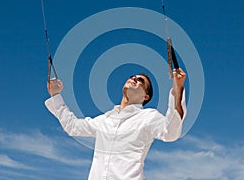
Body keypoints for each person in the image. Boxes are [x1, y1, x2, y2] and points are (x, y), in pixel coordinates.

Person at [45, 68, 187, 180]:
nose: (134, 79)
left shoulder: (148, 117)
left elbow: (171, 133)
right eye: (133, 77)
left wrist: (177, 89)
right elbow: (72, 126)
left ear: (145, 96)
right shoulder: (104, 120)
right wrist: (56, 95)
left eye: (140, 81)